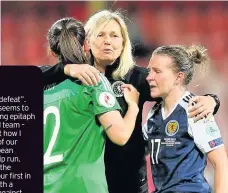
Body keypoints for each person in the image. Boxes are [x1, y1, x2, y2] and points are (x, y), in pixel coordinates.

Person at [41, 10, 220, 193]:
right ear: (87, 42)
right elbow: (24, 79)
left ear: (123, 43)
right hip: (89, 181)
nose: (108, 41)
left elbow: (177, 91)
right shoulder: (73, 78)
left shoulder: (136, 78)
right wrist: (66, 69)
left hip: (129, 182)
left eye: (114, 35)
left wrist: (211, 100)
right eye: (100, 34)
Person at [43, 17, 140, 193]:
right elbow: (121, 136)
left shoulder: (38, 88)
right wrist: (133, 106)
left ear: (51, 50)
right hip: (84, 186)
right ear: (87, 45)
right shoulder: (93, 80)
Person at [143, 45, 228, 193]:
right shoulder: (154, 114)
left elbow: (221, 162)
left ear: (178, 77)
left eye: (157, 71)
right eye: (149, 70)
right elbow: (135, 151)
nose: (149, 77)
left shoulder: (195, 110)